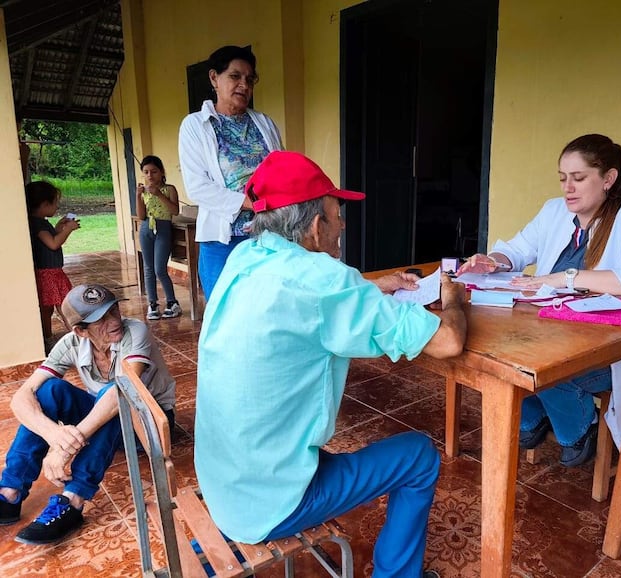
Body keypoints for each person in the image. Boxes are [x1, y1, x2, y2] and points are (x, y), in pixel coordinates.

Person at [195, 151, 467, 578]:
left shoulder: (243, 258)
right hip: (268, 503)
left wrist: (373, 286)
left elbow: (309, 296)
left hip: (224, 479)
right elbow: (449, 342)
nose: (342, 227)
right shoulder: (325, 281)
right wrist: (452, 298)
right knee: (418, 456)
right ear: (316, 226)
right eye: (338, 216)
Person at [459, 133, 621, 466]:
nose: (568, 188)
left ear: (608, 178)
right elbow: (517, 250)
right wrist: (493, 261)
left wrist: (566, 277)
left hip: (607, 349)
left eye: (579, 178)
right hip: (549, 332)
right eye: (563, 178)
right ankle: (535, 418)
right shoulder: (554, 211)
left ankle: (578, 430)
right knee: (492, 350)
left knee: (541, 366)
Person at [0, 284, 176, 545]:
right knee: (50, 390)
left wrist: (66, 449)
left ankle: (73, 499)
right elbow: (21, 398)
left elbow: (121, 391)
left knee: (115, 394)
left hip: (150, 425)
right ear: (81, 331)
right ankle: (10, 492)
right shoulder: (70, 343)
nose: (114, 320)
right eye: (101, 319)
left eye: (114, 310)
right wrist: (55, 435)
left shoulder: (135, 331)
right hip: (108, 418)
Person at [178, 44, 284, 300]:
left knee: (269, 307)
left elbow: (282, 170)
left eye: (250, 79)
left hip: (268, 237)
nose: (244, 85)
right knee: (224, 310)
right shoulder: (195, 126)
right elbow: (197, 187)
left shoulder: (265, 123)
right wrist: (249, 203)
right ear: (214, 78)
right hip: (222, 241)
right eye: (235, 76)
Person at [25, 181, 80, 345]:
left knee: (49, 308)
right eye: (55, 203)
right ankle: (76, 336)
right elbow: (53, 243)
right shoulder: (38, 224)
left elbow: (49, 238)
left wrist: (58, 228)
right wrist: (68, 230)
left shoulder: (38, 221)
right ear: (44, 204)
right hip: (49, 274)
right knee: (64, 307)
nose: (57, 206)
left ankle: (49, 338)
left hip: (47, 273)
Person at [135, 155, 182, 320]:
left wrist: (159, 195)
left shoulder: (169, 189)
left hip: (163, 228)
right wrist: (138, 196)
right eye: (146, 172)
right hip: (146, 228)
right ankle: (152, 304)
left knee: (159, 269)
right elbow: (141, 216)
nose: (150, 175)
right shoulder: (144, 192)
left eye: (154, 171)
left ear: (161, 172)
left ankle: (172, 302)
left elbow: (175, 211)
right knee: (148, 268)